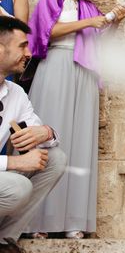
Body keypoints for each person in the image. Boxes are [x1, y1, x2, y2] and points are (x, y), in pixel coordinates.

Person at [24, 0, 125, 239]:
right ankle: (36, 222)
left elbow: (101, 44)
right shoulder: (49, 0)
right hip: (55, 68)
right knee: (48, 140)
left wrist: (114, 23)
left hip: (84, 74)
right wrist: (88, 22)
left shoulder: (91, 8)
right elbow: (45, 33)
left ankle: (72, 220)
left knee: (79, 142)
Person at [0, 17, 66, 253]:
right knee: (18, 187)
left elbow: (45, 137)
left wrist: (45, 132)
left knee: (55, 158)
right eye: (22, 46)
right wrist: (15, 161)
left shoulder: (15, 93)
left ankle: (4, 240)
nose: (29, 52)